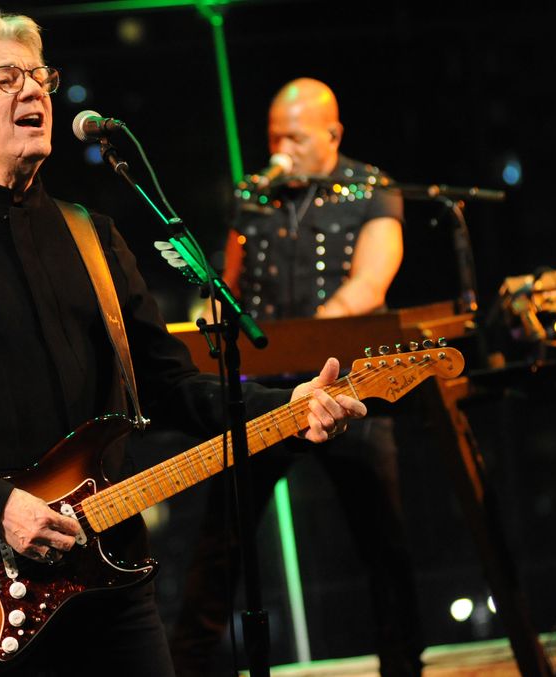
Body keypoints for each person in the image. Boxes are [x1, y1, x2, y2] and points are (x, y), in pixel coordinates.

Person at [0, 9, 368, 676]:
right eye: (3, 77)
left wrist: (291, 407)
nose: (32, 90)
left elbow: (169, 388)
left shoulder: (94, 237)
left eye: (38, 75)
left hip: (113, 578)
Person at [170, 78, 423, 676]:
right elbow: (228, 282)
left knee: (382, 541)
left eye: (295, 136)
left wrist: (313, 337)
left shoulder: (373, 189)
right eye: (274, 136)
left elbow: (370, 283)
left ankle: (404, 666)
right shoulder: (253, 196)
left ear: (333, 134)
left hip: (346, 387)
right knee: (220, 541)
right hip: (263, 393)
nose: (281, 147)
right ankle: (184, 666)